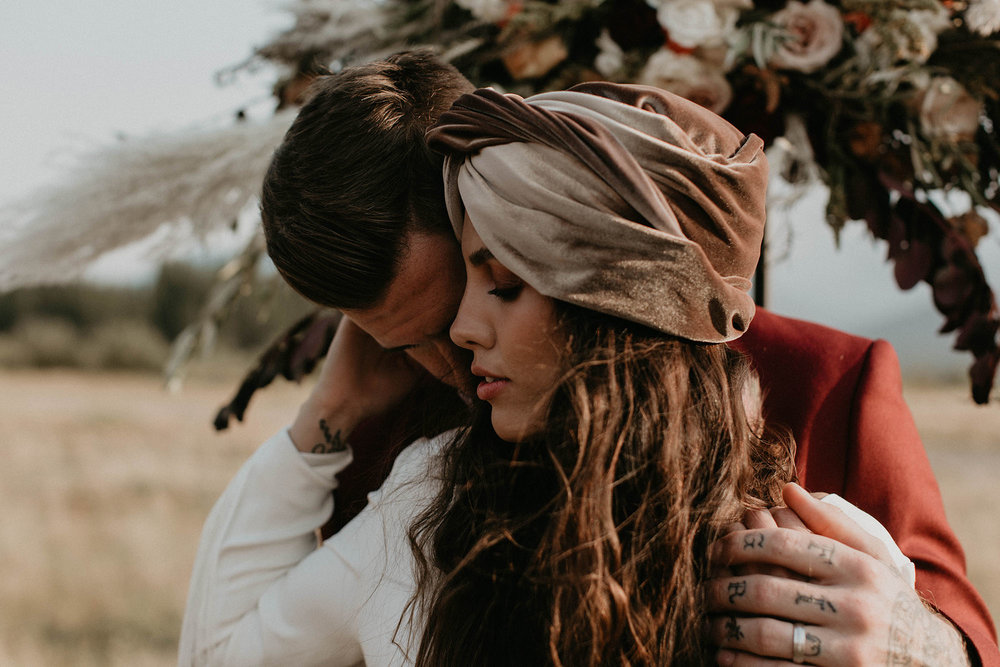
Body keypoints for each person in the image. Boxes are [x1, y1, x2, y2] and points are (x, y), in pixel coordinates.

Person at [252, 51, 998, 664]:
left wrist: (919, 643)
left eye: (495, 280)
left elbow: (963, 635)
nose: (451, 349)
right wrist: (329, 414)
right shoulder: (411, 439)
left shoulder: (830, 381)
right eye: (401, 341)